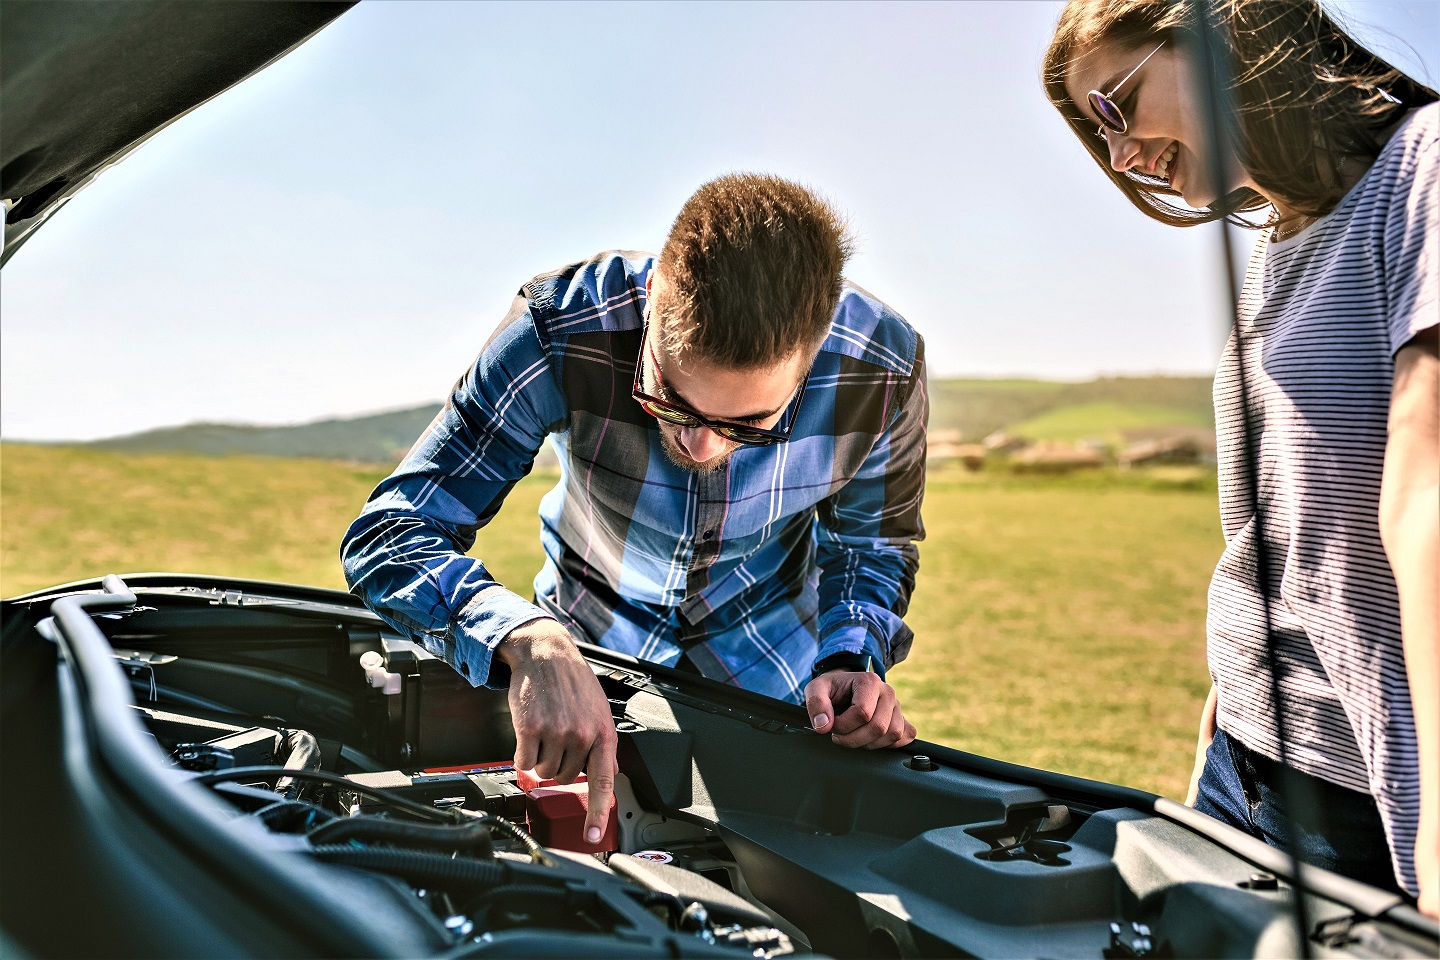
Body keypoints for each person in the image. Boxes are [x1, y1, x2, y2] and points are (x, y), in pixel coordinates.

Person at [342, 173, 926, 846]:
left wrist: (851, 657)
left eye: (752, 424)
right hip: (583, 656)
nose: (702, 444)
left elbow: (870, 547)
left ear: (815, 353)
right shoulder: (558, 327)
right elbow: (391, 535)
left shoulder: (882, 368)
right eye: (670, 401)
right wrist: (525, 638)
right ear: (652, 302)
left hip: (774, 683)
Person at [1043, 0, 1437, 914]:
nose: (1122, 158)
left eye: (1114, 109)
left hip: (1368, 796)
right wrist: (1230, 703)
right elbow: (1273, 524)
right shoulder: (1278, 242)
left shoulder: (1425, 168)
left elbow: (1426, 495)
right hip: (1245, 759)